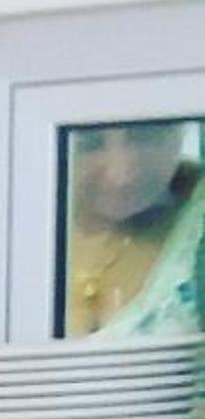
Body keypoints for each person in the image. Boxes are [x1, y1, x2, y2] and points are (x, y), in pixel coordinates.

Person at [63, 117, 204, 338]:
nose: (121, 176)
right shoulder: (11, 223)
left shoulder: (197, 220)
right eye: (89, 144)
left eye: (145, 136)